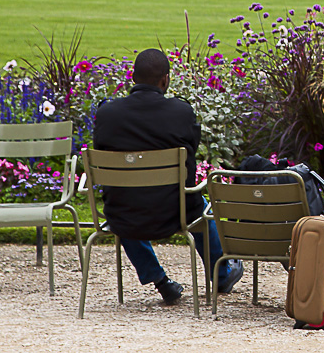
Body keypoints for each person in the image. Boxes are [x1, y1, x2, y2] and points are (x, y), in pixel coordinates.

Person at [93, 49, 244, 305]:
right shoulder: (180, 112)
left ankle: (160, 280)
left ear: (132, 77)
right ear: (165, 80)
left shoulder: (108, 114)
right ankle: (221, 275)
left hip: (123, 213)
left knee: (124, 204)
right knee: (201, 210)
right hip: (176, 213)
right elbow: (190, 161)